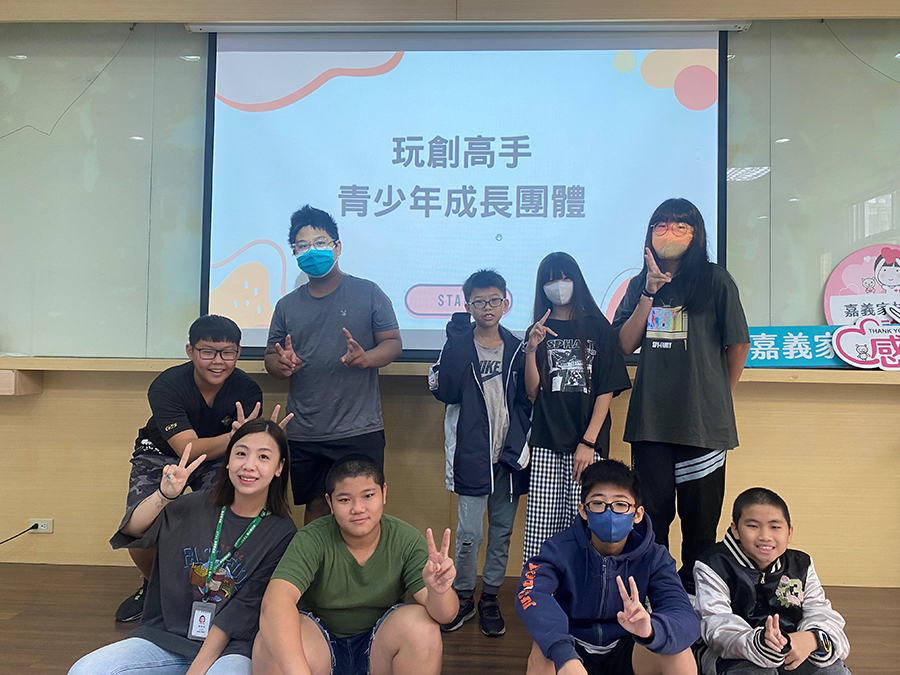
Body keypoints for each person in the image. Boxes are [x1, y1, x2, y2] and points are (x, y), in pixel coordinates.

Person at [70, 417, 298, 675]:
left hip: (231, 649)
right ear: (228, 461)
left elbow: (242, 611)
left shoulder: (282, 533)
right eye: (241, 454)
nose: (249, 465)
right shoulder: (192, 506)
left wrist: (196, 669)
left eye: (263, 457)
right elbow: (134, 531)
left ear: (279, 467)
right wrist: (164, 495)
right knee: (85, 670)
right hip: (166, 638)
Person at [612, 198, 750, 593]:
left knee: (700, 525)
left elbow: (738, 344)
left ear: (696, 233)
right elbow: (623, 344)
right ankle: (658, 597)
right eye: (661, 224)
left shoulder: (715, 280)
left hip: (702, 426)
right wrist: (648, 293)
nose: (669, 232)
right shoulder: (639, 284)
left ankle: (697, 604)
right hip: (651, 422)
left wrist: (719, 396)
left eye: (680, 225)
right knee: (652, 519)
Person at [115, 315, 264, 622]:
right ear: (190, 351)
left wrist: (244, 442)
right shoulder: (167, 385)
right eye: (207, 351)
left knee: (223, 518)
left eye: (228, 352)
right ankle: (154, 588)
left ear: (238, 352)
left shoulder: (247, 390)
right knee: (140, 525)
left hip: (217, 460)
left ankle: (212, 593)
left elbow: (246, 448)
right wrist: (233, 438)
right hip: (162, 455)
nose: (218, 361)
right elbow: (187, 448)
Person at [252, 455, 458, 675]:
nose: (358, 508)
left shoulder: (406, 539)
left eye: (368, 496)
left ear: (384, 493)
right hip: (320, 645)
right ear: (330, 503)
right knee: (270, 640)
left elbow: (445, 615)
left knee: (423, 627)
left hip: (379, 648)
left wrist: (439, 592)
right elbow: (275, 603)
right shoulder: (311, 539)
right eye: (344, 500)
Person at [265, 205, 402, 524]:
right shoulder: (286, 306)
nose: (312, 251)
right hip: (306, 430)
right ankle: (317, 561)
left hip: (359, 427)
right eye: (303, 246)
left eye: (320, 242)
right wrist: (281, 365)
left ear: (337, 247)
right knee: (315, 508)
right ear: (294, 253)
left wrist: (367, 358)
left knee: (362, 511)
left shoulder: (368, 293)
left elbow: (393, 343)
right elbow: (271, 357)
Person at [516, 460, 699, 675]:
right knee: (543, 651)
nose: (609, 512)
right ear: (584, 510)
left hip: (628, 644)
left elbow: (683, 614)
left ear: (637, 514)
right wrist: (563, 654)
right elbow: (531, 593)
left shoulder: (655, 556)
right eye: (598, 503)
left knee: (679, 653)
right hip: (572, 646)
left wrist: (651, 630)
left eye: (620, 504)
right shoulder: (558, 549)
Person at [428, 269, 531, 636]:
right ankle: (463, 596)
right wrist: (455, 343)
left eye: (494, 300)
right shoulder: (458, 343)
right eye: (479, 301)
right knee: (469, 533)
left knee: (501, 532)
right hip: (471, 456)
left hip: (509, 456)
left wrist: (518, 447)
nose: (487, 307)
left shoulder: (517, 347)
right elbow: (445, 391)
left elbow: (527, 400)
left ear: (505, 303)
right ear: (468, 305)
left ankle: (490, 597)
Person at [522, 251, 631, 562]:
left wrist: (588, 441)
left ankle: (586, 585)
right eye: (550, 280)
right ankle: (538, 586)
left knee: (586, 522)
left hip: (587, 443)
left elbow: (606, 389)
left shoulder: (598, 327)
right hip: (546, 440)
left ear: (577, 280)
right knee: (541, 528)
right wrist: (531, 348)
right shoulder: (538, 329)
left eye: (564, 277)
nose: (558, 285)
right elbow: (532, 391)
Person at [693, 488, 851, 675]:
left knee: (832, 671)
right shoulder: (713, 564)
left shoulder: (802, 564)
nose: (765, 536)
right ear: (735, 529)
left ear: (789, 533)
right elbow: (716, 625)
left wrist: (811, 638)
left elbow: (820, 611)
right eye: (753, 526)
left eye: (775, 527)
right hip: (734, 653)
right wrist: (760, 642)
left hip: (789, 646)